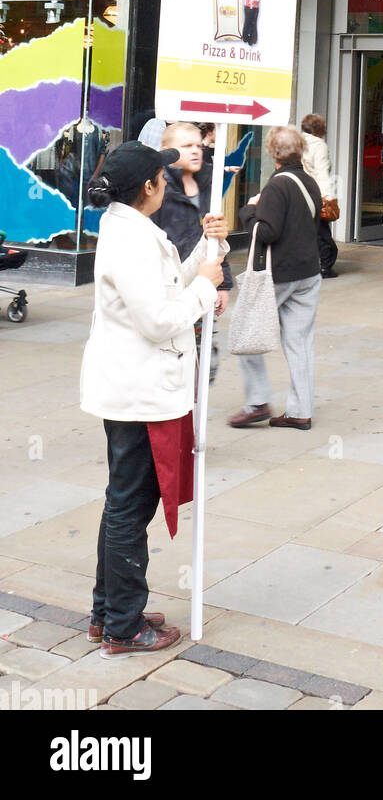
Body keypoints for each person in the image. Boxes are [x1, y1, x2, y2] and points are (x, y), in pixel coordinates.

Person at [81, 142, 228, 656]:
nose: (167, 182)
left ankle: (108, 610)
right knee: (130, 508)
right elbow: (160, 319)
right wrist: (207, 290)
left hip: (131, 386)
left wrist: (208, 255)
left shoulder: (131, 228)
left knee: (121, 503)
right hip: (139, 391)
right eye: (162, 177)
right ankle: (123, 624)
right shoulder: (131, 239)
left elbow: (164, 288)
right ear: (148, 186)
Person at [229, 125, 323, 431]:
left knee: (247, 329)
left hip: (277, 274)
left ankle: (257, 401)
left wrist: (248, 210)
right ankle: (300, 410)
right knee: (300, 342)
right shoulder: (309, 182)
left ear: (272, 152)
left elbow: (266, 231)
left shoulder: (276, 186)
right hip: (309, 272)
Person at [153, 122, 233, 386]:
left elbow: (214, 237)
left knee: (201, 367)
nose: (196, 151)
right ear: (167, 151)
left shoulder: (209, 181)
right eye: (187, 146)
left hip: (201, 287)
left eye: (199, 145)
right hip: (168, 294)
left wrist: (224, 282)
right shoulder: (157, 189)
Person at [301, 112, 339, 279]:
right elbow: (322, 173)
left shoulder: (295, 142)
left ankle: (304, 264)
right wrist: (328, 196)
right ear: (320, 130)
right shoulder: (319, 145)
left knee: (302, 229)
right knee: (321, 232)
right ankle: (325, 266)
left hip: (295, 191)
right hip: (313, 192)